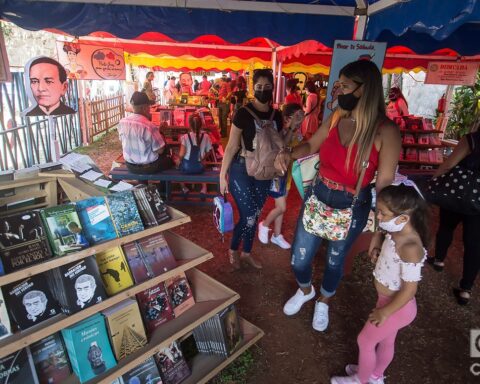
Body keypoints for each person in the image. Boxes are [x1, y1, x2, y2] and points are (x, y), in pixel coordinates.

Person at [277, 60, 401, 332]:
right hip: (318, 194)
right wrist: (289, 153)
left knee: (335, 261)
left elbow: (384, 188)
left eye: (344, 86)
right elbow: (310, 145)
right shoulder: (335, 118)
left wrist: (379, 234)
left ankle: (324, 300)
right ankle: (307, 290)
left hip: (352, 204)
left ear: (363, 89)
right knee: (299, 258)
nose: (338, 91)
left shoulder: (386, 132)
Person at [330, 184, 429, 384]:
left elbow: (410, 290)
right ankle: (375, 375)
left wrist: (385, 312)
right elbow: (391, 256)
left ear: (402, 219)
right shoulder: (396, 231)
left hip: (397, 308)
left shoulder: (410, 247)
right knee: (386, 340)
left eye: (383, 214)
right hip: (387, 302)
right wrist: (378, 251)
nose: (379, 217)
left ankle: (361, 379)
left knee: (365, 341)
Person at [220, 68, 283, 270]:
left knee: (255, 213)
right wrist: (222, 175)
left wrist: (291, 130)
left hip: (265, 171)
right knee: (248, 215)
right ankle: (232, 249)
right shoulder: (243, 113)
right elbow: (231, 146)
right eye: (258, 87)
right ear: (252, 88)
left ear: (273, 88)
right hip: (241, 169)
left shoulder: (277, 115)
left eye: (267, 87)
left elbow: (280, 145)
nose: (263, 90)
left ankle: (246, 252)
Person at [428, 119, 480, 305]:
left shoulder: (472, 139)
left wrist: (434, 181)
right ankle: (466, 289)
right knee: (474, 244)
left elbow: (449, 164)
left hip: (457, 194)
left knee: (446, 227)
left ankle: (439, 260)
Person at [258, 103, 305, 249]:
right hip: (278, 175)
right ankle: (264, 225)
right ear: (287, 118)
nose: (300, 120)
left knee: (280, 206)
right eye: (297, 117)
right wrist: (291, 129)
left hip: (288, 175)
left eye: (301, 117)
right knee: (282, 207)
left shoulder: (298, 132)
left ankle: (277, 235)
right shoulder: (281, 131)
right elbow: (281, 147)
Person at [118, 92, 173, 174]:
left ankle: (143, 184)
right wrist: (160, 133)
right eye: (149, 107)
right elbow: (160, 150)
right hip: (149, 167)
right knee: (169, 160)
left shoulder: (122, 122)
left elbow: (123, 140)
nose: (150, 109)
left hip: (130, 166)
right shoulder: (149, 125)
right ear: (144, 108)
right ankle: (163, 186)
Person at [177, 113, 213, 195]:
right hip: (200, 167)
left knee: (177, 166)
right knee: (203, 169)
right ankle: (204, 188)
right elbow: (209, 151)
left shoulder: (185, 137)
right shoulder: (206, 136)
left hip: (187, 168)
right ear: (201, 124)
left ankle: (184, 187)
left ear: (189, 125)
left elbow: (181, 155)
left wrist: (177, 160)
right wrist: (203, 159)